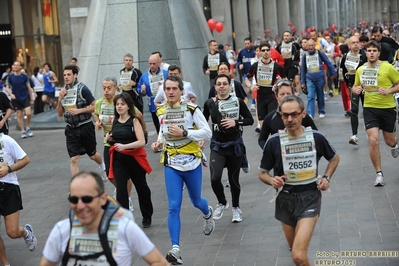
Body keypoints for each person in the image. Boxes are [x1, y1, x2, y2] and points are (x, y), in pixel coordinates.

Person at [258, 95, 339, 266]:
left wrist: (326, 177)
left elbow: (334, 158)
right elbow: (262, 173)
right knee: (296, 255)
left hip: (309, 197)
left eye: (294, 114)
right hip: (284, 199)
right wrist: (272, 180)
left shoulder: (316, 137)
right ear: (280, 116)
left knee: (298, 256)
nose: (289, 119)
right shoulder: (273, 142)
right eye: (285, 115)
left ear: (303, 114)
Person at [39, 171, 168, 266]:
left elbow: (158, 261)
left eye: (87, 199)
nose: (80, 206)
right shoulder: (62, 230)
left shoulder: (125, 227)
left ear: (103, 199)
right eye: (74, 199)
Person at [151, 76, 214, 265]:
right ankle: (175, 249)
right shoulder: (161, 110)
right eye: (167, 89)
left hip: (191, 162)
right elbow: (163, 132)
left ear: (181, 91)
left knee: (196, 201)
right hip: (172, 164)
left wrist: (186, 133)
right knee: (173, 206)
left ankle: (207, 213)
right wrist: (158, 143)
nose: (170, 92)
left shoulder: (192, 109)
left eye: (173, 89)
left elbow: (207, 133)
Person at [203, 74, 254, 223]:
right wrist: (200, 138)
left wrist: (236, 122)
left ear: (230, 85)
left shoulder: (237, 102)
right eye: (218, 84)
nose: (221, 86)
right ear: (215, 87)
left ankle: (236, 208)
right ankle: (222, 202)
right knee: (214, 178)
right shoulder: (209, 103)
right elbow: (202, 122)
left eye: (224, 83)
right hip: (218, 146)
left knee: (233, 180)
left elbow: (250, 120)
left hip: (234, 146)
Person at [352, 40, 399, 186]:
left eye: (374, 50)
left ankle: (396, 145)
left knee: (389, 141)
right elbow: (355, 86)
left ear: (379, 53)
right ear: (365, 53)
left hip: (387, 108)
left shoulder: (387, 67)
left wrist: (389, 91)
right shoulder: (361, 69)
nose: (371, 53)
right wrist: (356, 90)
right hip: (369, 108)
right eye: (369, 50)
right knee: (373, 140)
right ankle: (379, 174)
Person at [106, 93, 153, 228]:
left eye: (122, 104)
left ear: (128, 106)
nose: (119, 107)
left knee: (141, 187)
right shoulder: (115, 121)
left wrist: (125, 146)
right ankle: (124, 219)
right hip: (120, 160)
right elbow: (116, 139)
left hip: (134, 159)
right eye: (117, 104)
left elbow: (141, 141)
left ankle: (147, 215)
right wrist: (111, 139)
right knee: (121, 189)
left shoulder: (134, 121)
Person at [94, 77, 140, 213]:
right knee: (109, 174)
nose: (106, 91)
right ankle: (121, 190)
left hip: (125, 143)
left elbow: (138, 114)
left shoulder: (121, 102)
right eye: (104, 88)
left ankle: (127, 198)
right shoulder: (99, 103)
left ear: (116, 88)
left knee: (125, 175)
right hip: (108, 143)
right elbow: (96, 114)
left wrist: (138, 131)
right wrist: (97, 122)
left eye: (109, 88)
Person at [57, 65, 107, 178]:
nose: (66, 77)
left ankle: (103, 165)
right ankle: (76, 186)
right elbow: (59, 114)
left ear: (75, 75)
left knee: (92, 155)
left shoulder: (82, 89)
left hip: (85, 126)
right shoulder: (63, 91)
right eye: (64, 75)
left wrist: (80, 111)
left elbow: (95, 106)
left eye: (69, 74)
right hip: (71, 128)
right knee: (74, 159)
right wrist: (60, 100)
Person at [0, 132, 37, 266]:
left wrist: (8, 169)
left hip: (9, 188)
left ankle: (26, 233)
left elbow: (25, 159)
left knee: (12, 232)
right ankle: (6, 264)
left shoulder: (6, 140)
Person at [258, 79, 317, 149]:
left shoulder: (302, 115)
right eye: (282, 94)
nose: (285, 97)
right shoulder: (270, 117)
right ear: (276, 96)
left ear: (293, 95)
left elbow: (316, 135)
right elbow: (262, 139)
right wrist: (270, 151)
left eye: (288, 94)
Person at [246, 42, 285, 128]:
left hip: (272, 97)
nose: (266, 52)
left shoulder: (276, 66)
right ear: (259, 52)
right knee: (263, 125)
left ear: (270, 52)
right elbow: (247, 79)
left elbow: (284, 80)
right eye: (263, 50)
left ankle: (272, 139)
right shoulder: (255, 66)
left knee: (272, 122)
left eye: (268, 50)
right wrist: (251, 86)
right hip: (260, 98)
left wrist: (278, 85)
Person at [340, 36, 367, 145]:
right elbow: (342, 70)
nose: (356, 44)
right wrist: (348, 85)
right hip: (353, 86)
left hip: (365, 87)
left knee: (367, 109)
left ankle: (369, 129)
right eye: (353, 43)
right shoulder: (346, 56)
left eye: (357, 42)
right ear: (349, 45)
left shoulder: (365, 55)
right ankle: (354, 135)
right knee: (354, 109)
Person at [300, 39, 337, 118]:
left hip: (320, 78)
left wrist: (334, 72)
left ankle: (321, 110)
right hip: (309, 78)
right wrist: (302, 82)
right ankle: (310, 114)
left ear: (315, 45)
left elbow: (328, 62)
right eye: (309, 46)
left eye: (312, 45)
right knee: (310, 96)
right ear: (307, 46)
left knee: (320, 95)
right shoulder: (304, 56)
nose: (311, 47)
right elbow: (303, 69)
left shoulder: (320, 53)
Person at [138, 54, 168, 135]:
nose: (152, 66)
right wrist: (142, 91)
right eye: (150, 63)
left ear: (159, 63)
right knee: (157, 124)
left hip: (166, 103)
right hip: (153, 104)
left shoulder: (165, 74)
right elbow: (139, 91)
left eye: (154, 63)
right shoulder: (144, 76)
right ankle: (160, 140)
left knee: (166, 123)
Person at [5, 61, 34, 139]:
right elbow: (7, 87)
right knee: (19, 114)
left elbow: (29, 88)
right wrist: (11, 94)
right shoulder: (10, 77)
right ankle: (23, 131)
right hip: (16, 98)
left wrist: (31, 98)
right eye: (14, 65)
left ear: (21, 67)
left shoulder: (24, 76)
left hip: (25, 97)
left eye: (17, 65)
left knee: (28, 113)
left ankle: (28, 127)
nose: (15, 66)